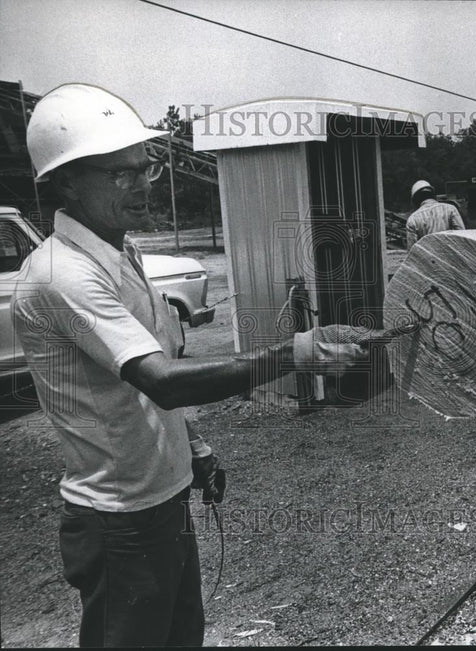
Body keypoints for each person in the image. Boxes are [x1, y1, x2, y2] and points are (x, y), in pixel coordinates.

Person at [13, 83, 367, 648]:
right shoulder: (63, 275)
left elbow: (148, 376)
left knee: (179, 638)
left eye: (143, 167)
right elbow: (161, 383)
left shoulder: (120, 253)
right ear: (66, 182)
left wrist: (193, 448)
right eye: (117, 173)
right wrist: (293, 352)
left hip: (160, 498)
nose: (139, 185)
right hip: (121, 515)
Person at [405, 180, 465, 251]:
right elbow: (463, 237)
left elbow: (412, 252)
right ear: (433, 195)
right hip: (451, 258)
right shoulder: (450, 209)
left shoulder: (413, 219)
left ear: (415, 200)